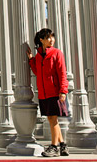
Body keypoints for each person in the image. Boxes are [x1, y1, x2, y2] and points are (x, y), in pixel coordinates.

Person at [27, 28, 69, 157]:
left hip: (54, 92)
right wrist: (31, 60)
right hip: (43, 93)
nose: (51, 40)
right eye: (48, 38)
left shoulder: (57, 53)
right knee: (52, 119)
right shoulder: (39, 56)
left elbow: (62, 73)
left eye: (52, 37)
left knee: (52, 119)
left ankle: (54, 147)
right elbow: (37, 72)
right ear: (41, 40)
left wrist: (63, 91)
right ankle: (62, 145)